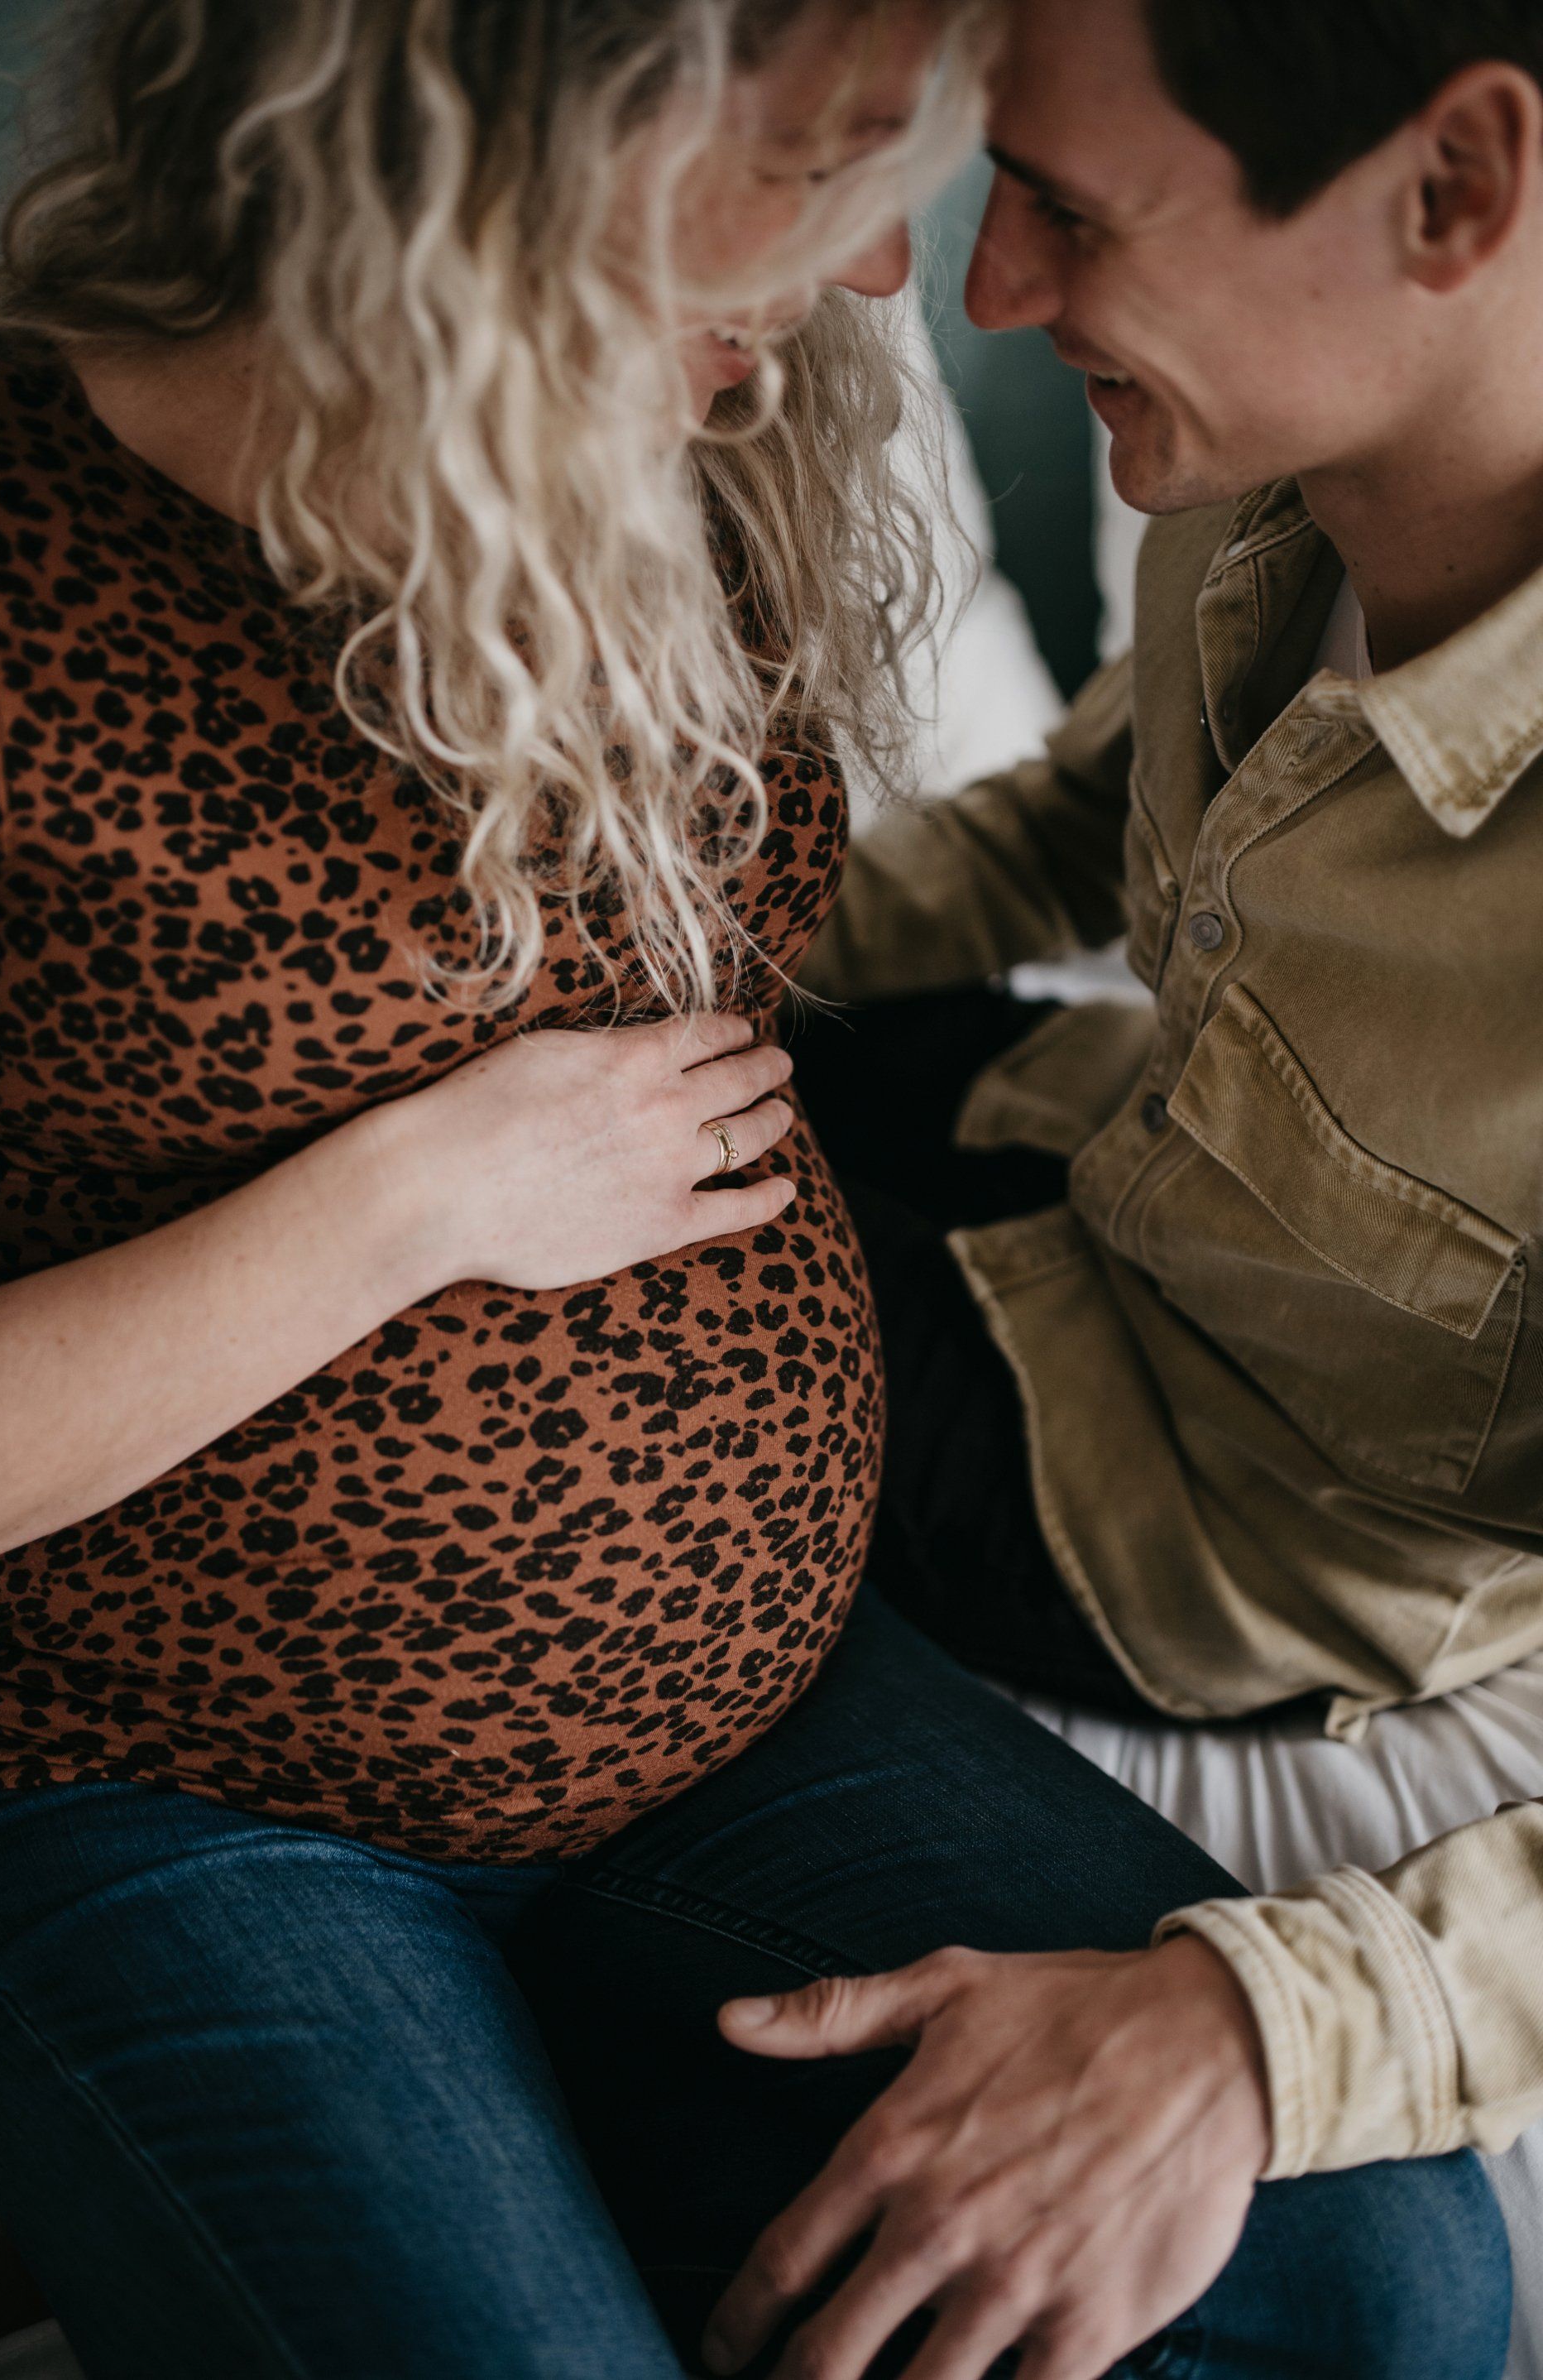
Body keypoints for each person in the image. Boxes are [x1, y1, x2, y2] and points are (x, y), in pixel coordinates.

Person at [0, 6, 1508, 2380]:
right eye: (826, 163)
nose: (907, 274)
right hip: (166, 1765)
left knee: (1374, 2272)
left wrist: (1264, 2027)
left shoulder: (702, 446)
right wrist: (408, 1201)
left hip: (757, 1702)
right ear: (508, 132)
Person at [746, 0, 1543, 2372]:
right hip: (1068, 1149)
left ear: (1454, 192)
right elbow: (1082, 816)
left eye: (1074, 215)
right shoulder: (1267, 472)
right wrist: (673, 955)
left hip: (1163, 1532)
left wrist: (1261, 2028)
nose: (983, 288)